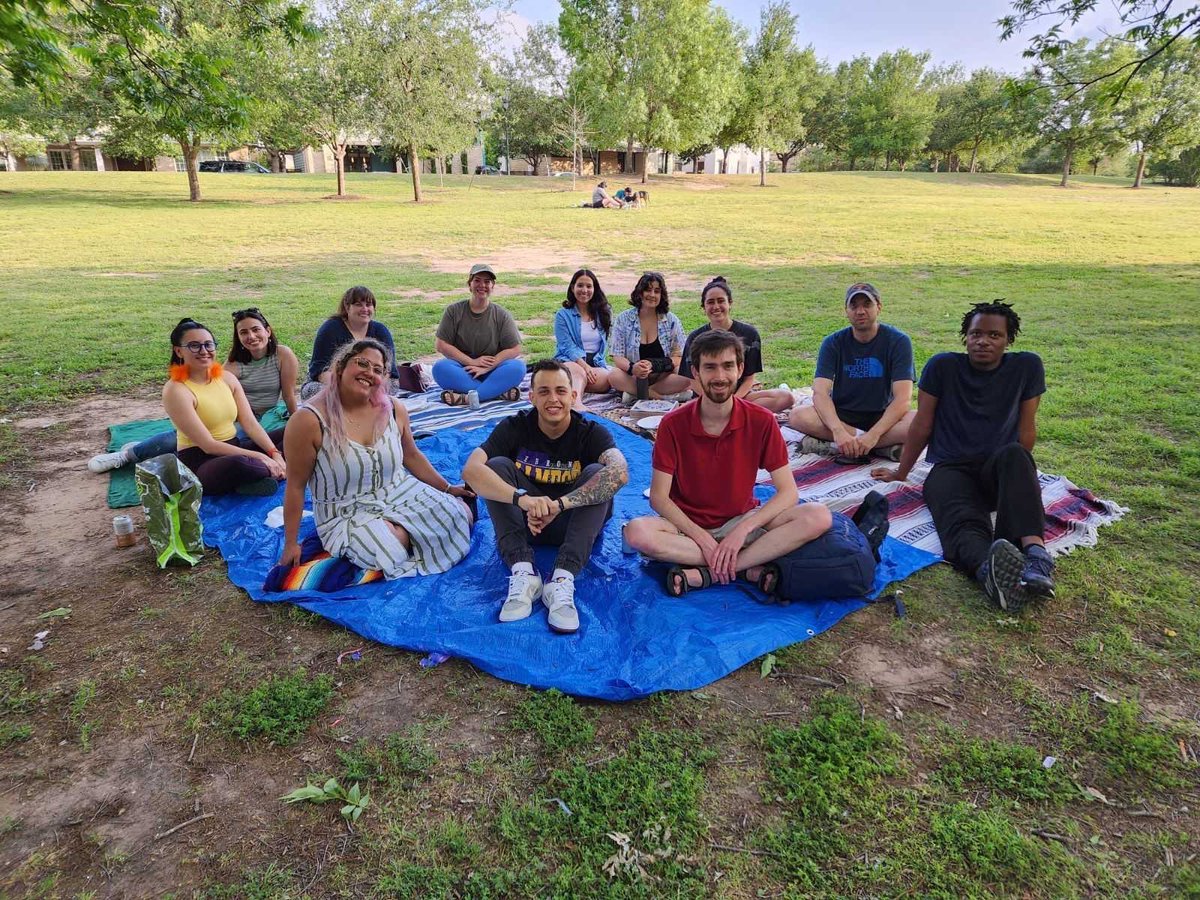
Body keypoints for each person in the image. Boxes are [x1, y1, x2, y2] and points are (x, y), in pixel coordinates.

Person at [872, 300, 1055, 611]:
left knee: (1016, 454)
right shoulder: (942, 367)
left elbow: (1027, 431)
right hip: (951, 469)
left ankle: (1036, 556)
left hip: (998, 468)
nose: (983, 341)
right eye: (975, 334)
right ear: (965, 337)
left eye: (994, 335)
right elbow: (921, 426)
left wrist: (1018, 481)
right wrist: (901, 472)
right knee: (960, 522)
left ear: (1008, 340)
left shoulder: (1026, 367)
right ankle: (989, 571)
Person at [624, 330, 832, 596]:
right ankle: (745, 566)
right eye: (710, 367)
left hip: (740, 521)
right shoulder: (672, 425)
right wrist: (703, 538)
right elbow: (659, 498)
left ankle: (711, 572)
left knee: (817, 515)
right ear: (695, 373)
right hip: (687, 527)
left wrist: (742, 530)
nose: (720, 377)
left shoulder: (761, 421)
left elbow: (788, 492)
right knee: (637, 533)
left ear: (740, 369)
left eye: (728, 366)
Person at [279, 338, 475, 579]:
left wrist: (447, 488)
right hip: (345, 511)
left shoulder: (393, 408)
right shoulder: (308, 421)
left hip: (399, 491)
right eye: (362, 363)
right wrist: (291, 543)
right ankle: (406, 533)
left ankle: (406, 531)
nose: (369, 373)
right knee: (389, 549)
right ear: (340, 366)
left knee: (460, 515)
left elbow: (412, 455)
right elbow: (296, 486)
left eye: (378, 370)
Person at [462, 360, 629, 633]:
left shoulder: (591, 432)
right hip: (526, 522)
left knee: (599, 473)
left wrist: (560, 505)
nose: (553, 399)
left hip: (574, 524)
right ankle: (523, 571)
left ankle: (562, 579)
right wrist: (523, 501)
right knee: (496, 467)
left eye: (561, 391)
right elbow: (471, 470)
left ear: (574, 396)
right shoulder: (515, 426)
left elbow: (621, 472)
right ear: (531, 396)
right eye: (544, 391)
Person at [89, 307, 299, 473]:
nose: (251, 336)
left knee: (291, 434)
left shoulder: (283, 355)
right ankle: (130, 455)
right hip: (225, 421)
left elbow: (288, 394)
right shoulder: (232, 366)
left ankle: (251, 467)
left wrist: (294, 419)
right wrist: (264, 454)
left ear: (268, 331)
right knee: (178, 438)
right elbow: (210, 393)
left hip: (253, 418)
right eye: (243, 332)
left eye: (256, 330)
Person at [789, 282, 915, 462]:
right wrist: (838, 431)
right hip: (842, 415)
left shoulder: (898, 341)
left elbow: (903, 399)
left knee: (922, 421)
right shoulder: (833, 342)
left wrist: (873, 435)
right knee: (797, 416)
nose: (860, 311)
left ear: (879, 307)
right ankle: (877, 447)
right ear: (846, 311)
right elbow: (820, 392)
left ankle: (842, 445)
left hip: (883, 417)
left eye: (867, 304)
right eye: (854, 306)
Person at [161, 317, 287, 496]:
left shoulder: (227, 378)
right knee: (242, 464)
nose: (204, 351)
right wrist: (261, 456)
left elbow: (250, 423)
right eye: (194, 346)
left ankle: (260, 476)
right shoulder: (176, 390)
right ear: (179, 351)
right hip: (203, 461)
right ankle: (265, 472)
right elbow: (208, 445)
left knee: (294, 433)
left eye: (208, 344)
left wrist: (274, 453)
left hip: (236, 446)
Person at [679, 276, 794, 414]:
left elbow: (749, 378)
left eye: (721, 301)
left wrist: (732, 402)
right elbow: (692, 379)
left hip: (741, 396)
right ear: (704, 307)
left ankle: (736, 411)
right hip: (707, 397)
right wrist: (712, 401)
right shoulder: (695, 338)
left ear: (730, 303)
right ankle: (735, 412)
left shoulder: (749, 334)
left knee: (786, 397)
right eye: (710, 302)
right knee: (679, 413)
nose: (716, 307)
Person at [432, 263, 525, 405]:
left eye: (487, 281)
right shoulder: (453, 311)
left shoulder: (502, 315)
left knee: (518, 367)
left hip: (492, 371)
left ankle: (468, 398)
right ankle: (497, 394)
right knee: (440, 368)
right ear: (469, 285)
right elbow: (441, 345)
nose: (482, 285)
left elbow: (515, 348)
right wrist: (472, 362)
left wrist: (490, 365)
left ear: (492, 286)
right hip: (464, 370)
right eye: (477, 280)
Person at [607, 272, 692, 403]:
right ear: (640, 293)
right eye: (648, 290)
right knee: (613, 375)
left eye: (657, 291)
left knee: (685, 376)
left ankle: (636, 394)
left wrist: (655, 365)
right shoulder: (623, 319)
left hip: (663, 376)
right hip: (634, 377)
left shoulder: (671, 320)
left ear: (661, 295)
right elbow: (617, 356)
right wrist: (633, 368)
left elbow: (680, 356)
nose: (652, 295)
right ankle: (659, 396)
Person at [303, 286, 399, 399]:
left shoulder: (381, 331)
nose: (365, 309)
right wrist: (349, 387)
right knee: (318, 392)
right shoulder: (330, 329)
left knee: (391, 387)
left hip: (373, 380)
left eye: (368, 305)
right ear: (347, 307)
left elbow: (389, 371)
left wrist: (370, 385)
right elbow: (319, 371)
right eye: (358, 304)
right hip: (335, 381)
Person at [553, 268, 613, 411]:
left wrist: (590, 368)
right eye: (580, 285)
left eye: (588, 286)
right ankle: (576, 403)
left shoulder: (603, 313)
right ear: (572, 287)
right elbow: (566, 346)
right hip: (570, 361)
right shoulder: (563, 315)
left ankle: (571, 386)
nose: (584, 290)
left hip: (595, 364)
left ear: (594, 289)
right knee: (575, 370)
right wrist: (584, 367)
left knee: (607, 379)